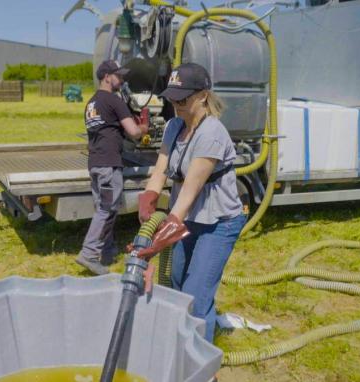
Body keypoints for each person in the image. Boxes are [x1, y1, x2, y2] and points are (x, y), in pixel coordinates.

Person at [136, 63, 247, 343]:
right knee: (175, 284)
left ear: (202, 96)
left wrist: (154, 244)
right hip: (186, 219)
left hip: (218, 223)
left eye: (182, 99)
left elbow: (189, 193)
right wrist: (148, 198)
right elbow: (161, 170)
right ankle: (178, 343)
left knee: (196, 295)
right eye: (171, 98)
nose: (175, 104)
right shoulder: (174, 126)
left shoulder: (211, 133)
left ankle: (201, 366)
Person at [75, 60, 148, 275]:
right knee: (107, 209)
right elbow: (134, 132)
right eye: (119, 76)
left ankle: (107, 252)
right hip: (109, 163)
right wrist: (144, 127)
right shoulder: (113, 100)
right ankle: (89, 254)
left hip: (95, 163)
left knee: (104, 209)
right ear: (107, 76)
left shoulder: (91, 103)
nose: (122, 79)